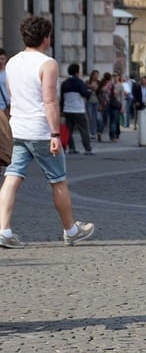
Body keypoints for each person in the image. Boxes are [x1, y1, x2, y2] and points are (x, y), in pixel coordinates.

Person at [0, 16, 95, 249]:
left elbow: (12, 95)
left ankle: (4, 230)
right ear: (45, 38)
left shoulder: (12, 63)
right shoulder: (47, 64)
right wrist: (55, 134)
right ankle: (70, 230)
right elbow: (49, 100)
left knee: (11, 178)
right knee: (58, 180)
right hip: (41, 130)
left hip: (17, 128)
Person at [60, 63, 93, 155]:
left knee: (69, 130)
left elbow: (62, 98)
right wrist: (90, 91)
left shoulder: (64, 83)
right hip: (78, 109)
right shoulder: (79, 82)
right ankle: (87, 149)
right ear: (77, 72)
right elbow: (85, 94)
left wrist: (61, 110)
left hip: (67, 109)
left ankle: (71, 147)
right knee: (83, 129)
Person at [85, 69, 101, 143]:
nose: (96, 76)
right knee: (90, 118)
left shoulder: (99, 83)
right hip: (89, 102)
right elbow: (84, 91)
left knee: (97, 117)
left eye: (97, 75)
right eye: (95, 74)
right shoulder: (88, 82)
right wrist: (90, 88)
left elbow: (101, 92)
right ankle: (92, 133)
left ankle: (98, 132)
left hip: (97, 102)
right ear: (92, 75)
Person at [0, 48, 10, 118]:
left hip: (7, 106)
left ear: (6, 59)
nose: (0, 61)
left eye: (2, 59)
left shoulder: (9, 72)